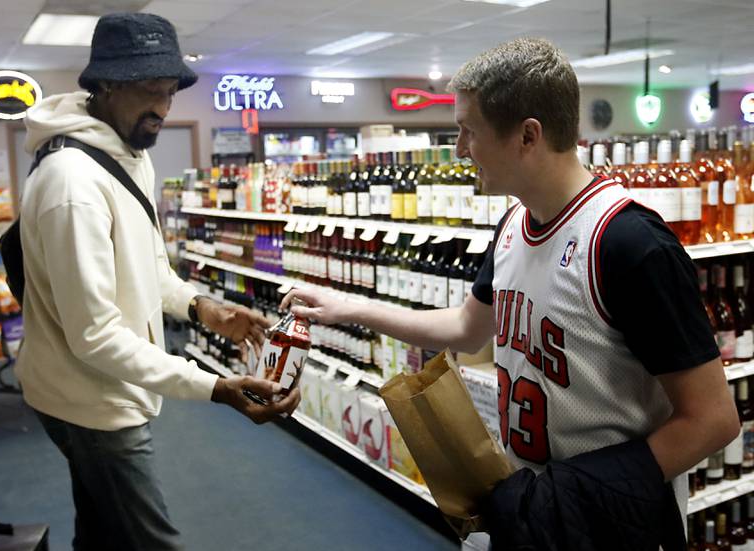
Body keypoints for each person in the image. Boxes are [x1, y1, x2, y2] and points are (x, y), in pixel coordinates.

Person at [282, 38, 739, 542]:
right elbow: (464, 328)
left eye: (468, 130)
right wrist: (347, 307)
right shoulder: (511, 227)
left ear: (527, 136)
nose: (458, 149)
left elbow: (714, 420)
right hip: (533, 515)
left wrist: (572, 495)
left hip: (610, 525)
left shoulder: (629, 244)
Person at [15, 13, 300, 551]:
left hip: (99, 384)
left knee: (102, 529)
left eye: (170, 91)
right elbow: (95, 335)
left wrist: (201, 308)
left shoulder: (129, 157)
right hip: (89, 399)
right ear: (104, 86)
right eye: (150, 91)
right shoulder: (73, 184)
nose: (163, 109)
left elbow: (149, 270)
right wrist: (214, 387)